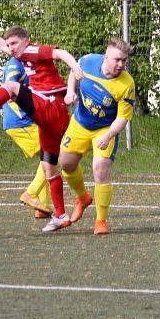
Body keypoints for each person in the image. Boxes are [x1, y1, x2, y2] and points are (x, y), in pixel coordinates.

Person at [0, 23, 84, 229]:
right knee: (49, 168)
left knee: (12, 87)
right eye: (9, 44)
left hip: (51, 106)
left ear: (26, 41)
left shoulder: (32, 50)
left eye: (14, 43)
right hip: (52, 118)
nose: (10, 48)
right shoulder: (20, 54)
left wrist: (74, 66)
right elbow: (1, 45)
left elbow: (60, 53)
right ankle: (60, 215)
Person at [56, 38, 136, 235]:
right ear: (106, 56)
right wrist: (70, 92)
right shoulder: (88, 61)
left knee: (100, 169)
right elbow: (74, 72)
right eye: (117, 59)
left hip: (105, 129)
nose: (121, 64)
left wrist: (108, 136)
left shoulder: (126, 84)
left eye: (124, 60)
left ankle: (100, 221)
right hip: (80, 123)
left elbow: (123, 118)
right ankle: (82, 197)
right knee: (66, 164)